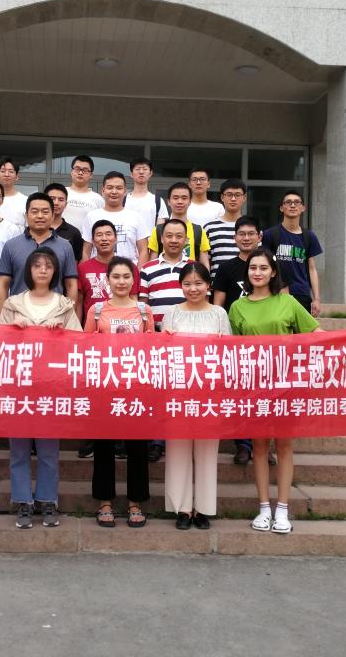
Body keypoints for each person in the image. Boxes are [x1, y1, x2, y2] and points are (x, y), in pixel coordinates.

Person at [229, 247, 322, 535]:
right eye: (253, 268)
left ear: (273, 272)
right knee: (258, 447)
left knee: (284, 446)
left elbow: (315, 334)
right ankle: (263, 508)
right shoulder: (237, 307)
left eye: (263, 268)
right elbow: (231, 350)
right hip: (254, 386)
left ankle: (282, 509)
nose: (257, 273)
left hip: (285, 385)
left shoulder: (288, 302)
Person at [0, 248, 81, 529]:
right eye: (37, 265)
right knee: (19, 449)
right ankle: (23, 501)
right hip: (19, 385)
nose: (43, 270)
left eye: (48, 265)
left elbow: (78, 344)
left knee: (48, 450)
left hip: (51, 387)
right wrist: (13, 329)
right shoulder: (13, 304)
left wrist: (63, 333)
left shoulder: (64, 305)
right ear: (29, 271)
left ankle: (47, 501)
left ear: (55, 271)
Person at [84, 257, 153, 528]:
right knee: (104, 447)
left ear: (134, 280)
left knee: (138, 447)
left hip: (137, 387)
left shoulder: (144, 310)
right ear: (107, 280)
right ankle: (104, 503)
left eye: (126, 277)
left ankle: (136, 502)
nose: (121, 282)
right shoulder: (97, 310)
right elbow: (86, 347)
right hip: (106, 387)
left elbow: (153, 346)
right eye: (116, 277)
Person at [162, 262, 230, 530]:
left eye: (199, 283)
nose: (193, 289)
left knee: (207, 452)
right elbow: (163, 353)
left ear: (208, 286)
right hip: (178, 392)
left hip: (210, 393)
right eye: (187, 284)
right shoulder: (172, 313)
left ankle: (203, 508)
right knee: (177, 450)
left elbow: (229, 354)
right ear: (181, 286)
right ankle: (181, 508)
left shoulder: (219, 314)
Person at [212, 216, 266, 466]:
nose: (246, 238)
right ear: (234, 238)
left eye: (250, 233)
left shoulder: (270, 266)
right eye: (241, 234)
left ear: (259, 236)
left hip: (266, 342)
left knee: (264, 396)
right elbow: (218, 305)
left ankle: (263, 444)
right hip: (235, 342)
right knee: (240, 395)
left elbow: (284, 298)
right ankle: (243, 444)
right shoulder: (226, 268)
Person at [141, 218, 195, 462]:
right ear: (161, 239)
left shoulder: (194, 268)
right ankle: (155, 441)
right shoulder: (147, 269)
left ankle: (181, 437)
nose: (174, 240)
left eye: (178, 236)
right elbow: (143, 306)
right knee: (157, 391)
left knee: (182, 391)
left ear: (186, 240)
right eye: (169, 236)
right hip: (157, 339)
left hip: (188, 341)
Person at [0, 192, 79, 313]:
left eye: (45, 212)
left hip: (54, 317)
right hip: (19, 316)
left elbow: (71, 285)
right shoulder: (11, 246)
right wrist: (4, 318)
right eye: (34, 212)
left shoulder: (65, 246)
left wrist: (68, 316)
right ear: (26, 216)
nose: (40, 216)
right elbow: (3, 285)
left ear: (52, 215)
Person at [261, 189, 323, 317]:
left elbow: (312, 268)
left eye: (296, 202)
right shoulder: (270, 234)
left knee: (301, 330)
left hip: (302, 293)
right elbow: (264, 264)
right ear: (281, 208)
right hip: (275, 293)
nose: (293, 205)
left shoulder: (309, 236)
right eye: (288, 202)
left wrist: (316, 298)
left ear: (303, 208)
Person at [80, 171, 149, 265]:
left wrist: (139, 272)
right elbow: (86, 251)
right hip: (98, 271)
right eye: (110, 188)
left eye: (119, 188)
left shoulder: (136, 217)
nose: (114, 192)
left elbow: (143, 251)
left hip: (128, 271)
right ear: (103, 190)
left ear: (124, 191)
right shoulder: (91, 216)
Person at [147, 182, 210, 267]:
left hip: (190, 274)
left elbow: (205, 264)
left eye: (184, 198)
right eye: (175, 198)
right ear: (169, 201)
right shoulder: (159, 230)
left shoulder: (198, 230)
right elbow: (152, 263)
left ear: (190, 202)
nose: (180, 202)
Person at [203, 179, 247, 279]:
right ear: (222, 197)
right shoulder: (209, 228)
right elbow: (205, 261)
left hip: (246, 284)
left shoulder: (251, 228)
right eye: (229, 194)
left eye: (237, 195)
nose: (233, 199)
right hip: (217, 283)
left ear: (244, 197)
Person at [126, 156, 168, 233]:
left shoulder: (158, 201)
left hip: (150, 241)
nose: (141, 172)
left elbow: (159, 231)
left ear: (150, 173)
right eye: (137, 169)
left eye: (145, 169)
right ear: (131, 174)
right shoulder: (123, 200)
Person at [45, 182, 84, 263]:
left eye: (61, 200)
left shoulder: (74, 233)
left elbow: (74, 263)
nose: (56, 203)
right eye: (52, 198)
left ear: (66, 204)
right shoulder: (35, 229)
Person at [62, 155, 104, 229]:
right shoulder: (61, 193)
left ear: (91, 175)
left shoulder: (98, 199)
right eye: (77, 169)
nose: (80, 173)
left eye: (85, 170)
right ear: (71, 172)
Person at [0, 156, 29, 227]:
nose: (7, 175)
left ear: (17, 176)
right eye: (3, 171)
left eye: (11, 171)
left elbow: (29, 228)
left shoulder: (25, 201)